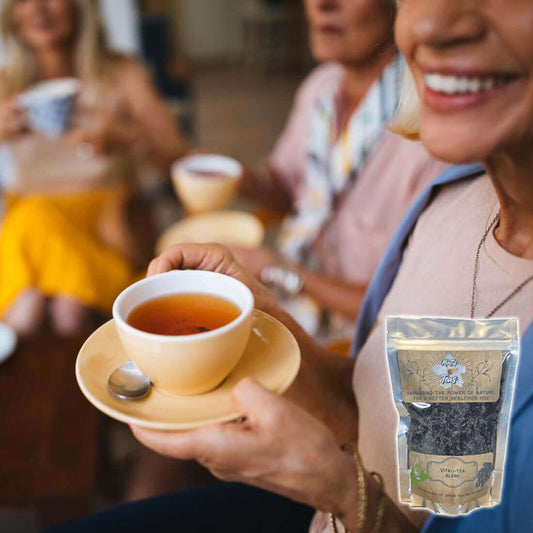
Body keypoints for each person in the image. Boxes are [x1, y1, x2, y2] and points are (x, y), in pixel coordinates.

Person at [45, 0, 533, 531]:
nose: (434, 24)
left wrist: (343, 493)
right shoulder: (456, 200)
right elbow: (416, 438)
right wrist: (260, 316)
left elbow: (436, 495)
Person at [234, 0, 446, 337]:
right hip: (297, 303)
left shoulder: (434, 134)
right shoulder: (320, 88)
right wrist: (240, 179)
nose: (321, 5)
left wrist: (278, 270)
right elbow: (290, 193)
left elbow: (414, 314)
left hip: (359, 343)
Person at [0, 0, 186, 336]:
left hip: (107, 226)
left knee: (58, 311)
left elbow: (179, 155)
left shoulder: (121, 73)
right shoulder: (4, 84)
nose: (38, 11)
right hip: (32, 227)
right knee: (32, 305)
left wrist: (127, 138)